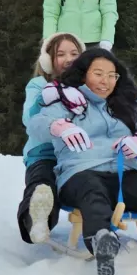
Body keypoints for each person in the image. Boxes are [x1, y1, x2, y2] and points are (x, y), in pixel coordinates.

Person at [28, 48, 137, 275]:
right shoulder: (68, 102)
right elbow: (36, 124)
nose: (105, 81)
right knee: (94, 196)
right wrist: (60, 126)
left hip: (124, 176)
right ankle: (102, 242)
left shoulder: (124, 108)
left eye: (112, 75)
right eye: (98, 73)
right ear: (83, 74)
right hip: (79, 173)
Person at [18, 32, 86, 245]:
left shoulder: (88, 86)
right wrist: (46, 95)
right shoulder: (38, 85)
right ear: (48, 60)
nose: (69, 59)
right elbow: (29, 118)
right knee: (43, 181)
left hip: (77, 155)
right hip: (44, 152)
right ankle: (36, 220)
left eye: (75, 53)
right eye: (61, 54)